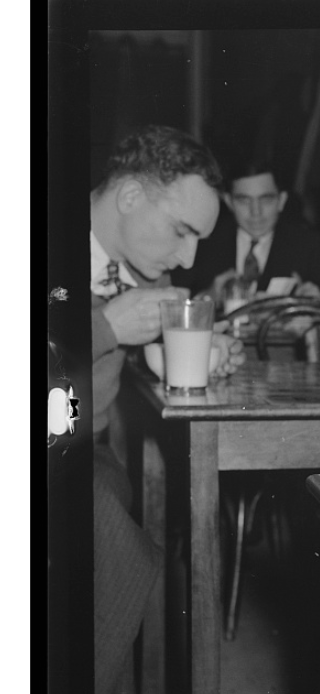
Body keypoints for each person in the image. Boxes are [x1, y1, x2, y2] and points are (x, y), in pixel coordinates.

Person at [89, 124, 244, 694]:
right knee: (109, 534)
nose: (189, 255)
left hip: (83, 446)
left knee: (119, 539)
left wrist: (201, 350)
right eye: (182, 231)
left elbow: (143, 355)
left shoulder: (141, 265)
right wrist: (103, 325)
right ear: (130, 196)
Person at [171, 159, 320, 303]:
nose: (256, 212)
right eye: (244, 200)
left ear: (281, 201)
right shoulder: (202, 242)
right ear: (229, 202)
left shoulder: (307, 244)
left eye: (266, 200)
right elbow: (174, 306)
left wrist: (313, 301)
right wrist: (208, 297)